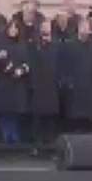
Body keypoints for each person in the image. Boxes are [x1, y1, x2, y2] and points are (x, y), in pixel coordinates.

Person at [60, 19, 92, 133]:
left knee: (89, 124)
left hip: (90, 90)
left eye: (86, 27)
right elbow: (63, 66)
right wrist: (68, 83)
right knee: (75, 123)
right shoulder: (69, 45)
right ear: (78, 29)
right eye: (82, 27)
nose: (84, 30)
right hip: (74, 90)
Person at [0, 21, 31, 145]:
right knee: (5, 112)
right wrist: (11, 69)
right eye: (11, 28)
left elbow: (28, 63)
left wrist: (21, 70)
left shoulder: (23, 45)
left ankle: (14, 138)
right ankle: (5, 138)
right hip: (4, 83)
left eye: (16, 28)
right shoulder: (1, 45)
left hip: (18, 84)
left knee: (16, 112)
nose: (14, 30)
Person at [28, 21, 62, 154]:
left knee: (51, 118)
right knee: (37, 118)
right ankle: (36, 145)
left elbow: (59, 63)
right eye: (43, 27)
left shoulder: (56, 45)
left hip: (52, 86)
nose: (46, 30)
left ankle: (50, 146)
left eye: (48, 27)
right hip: (38, 86)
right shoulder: (35, 45)